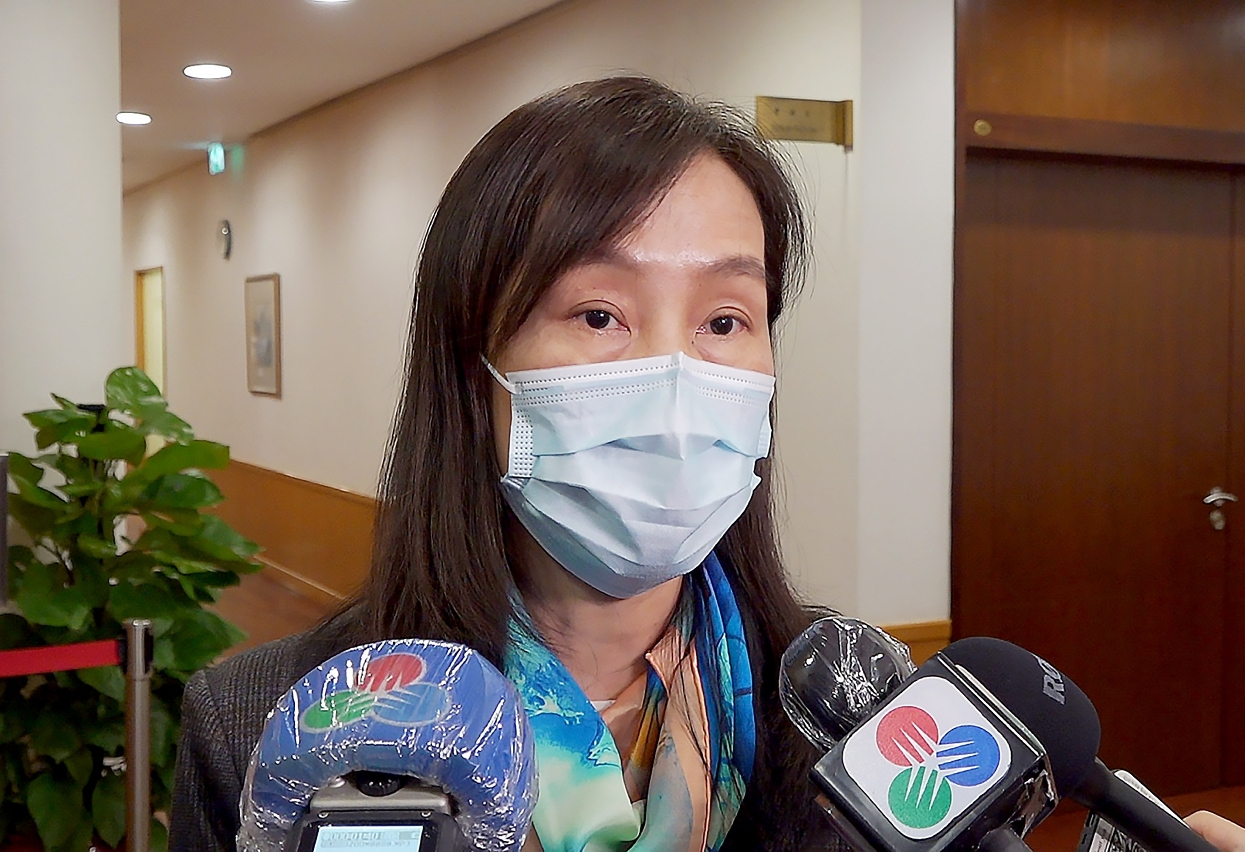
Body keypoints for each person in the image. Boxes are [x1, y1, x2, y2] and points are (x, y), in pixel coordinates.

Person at [170, 76, 838, 851]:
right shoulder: (264, 729)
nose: (674, 378)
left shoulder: (849, 715)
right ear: (474, 362)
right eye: (599, 315)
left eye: (725, 321)